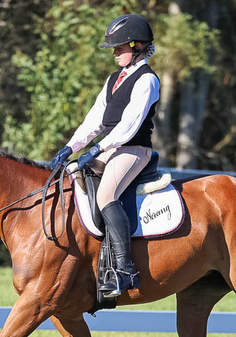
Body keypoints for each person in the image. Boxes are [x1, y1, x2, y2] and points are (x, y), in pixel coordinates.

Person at [49, 13, 160, 298]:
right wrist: (70, 148)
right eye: (114, 48)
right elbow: (94, 120)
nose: (114, 53)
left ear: (137, 46)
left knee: (106, 195)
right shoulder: (114, 79)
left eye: (120, 47)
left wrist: (98, 149)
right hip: (112, 148)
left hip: (133, 150)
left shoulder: (147, 80)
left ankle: (124, 271)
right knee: (73, 176)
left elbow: (129, 125)